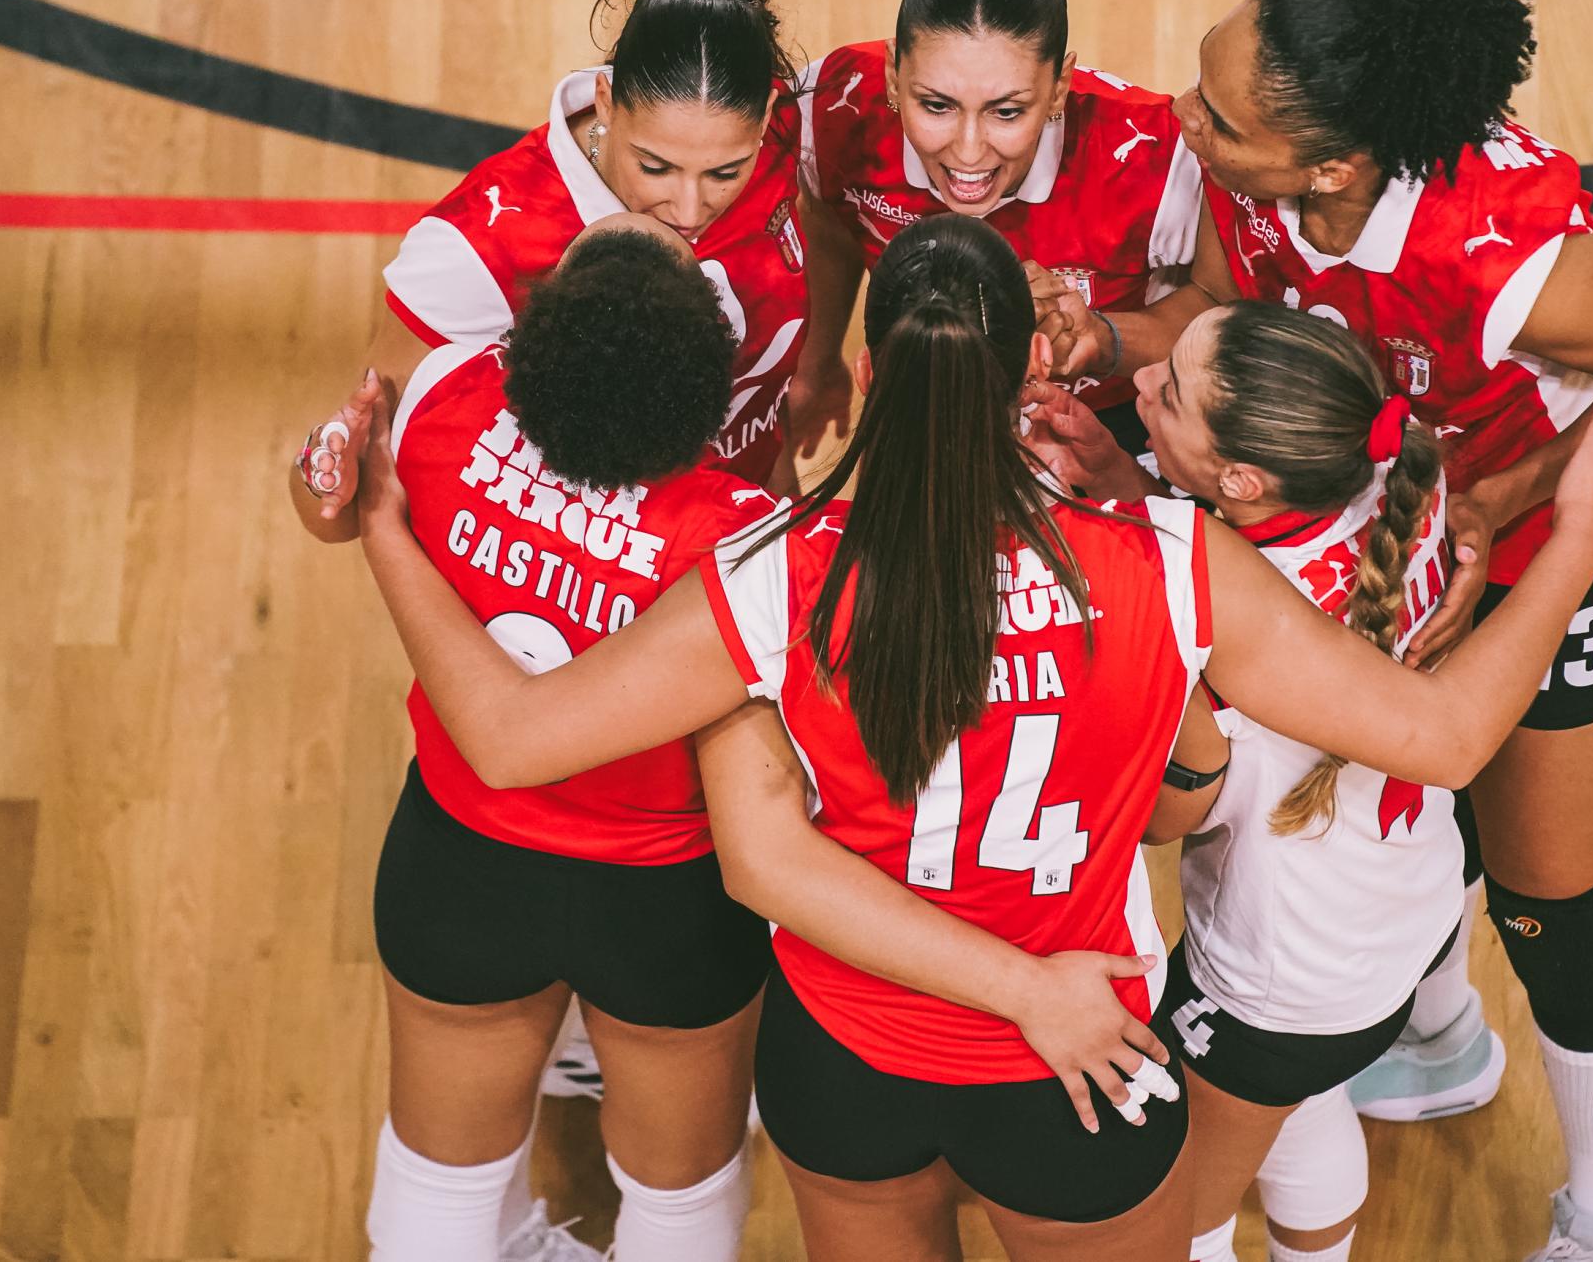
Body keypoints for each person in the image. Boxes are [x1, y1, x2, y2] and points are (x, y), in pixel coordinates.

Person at [349, 214, 1593, 1262]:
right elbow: (1442, 735)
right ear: (1037, 366)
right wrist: (1572, 532)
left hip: (844, 1060)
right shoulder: (1174, 563)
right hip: (1077, 1064)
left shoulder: (768, 572)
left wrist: (383, 525)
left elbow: (553, 755)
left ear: (866, 373)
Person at [1041, 0, 1593, 1262]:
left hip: (1550, 535)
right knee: (1386, 810)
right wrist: (1100, 341)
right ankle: (1429, 1038)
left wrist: (1510, 498)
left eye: (1219, 117)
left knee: (1547, 882)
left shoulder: (1501, 254)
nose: (1185, 122)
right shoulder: (1260, 180)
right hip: (1395, 514)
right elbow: (1214, 319)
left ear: (1335, 163)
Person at [322, 210, 1165, 1262]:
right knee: (677, 1196)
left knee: (437, 1179)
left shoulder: (451, 405)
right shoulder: (744, 538)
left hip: (471, 859)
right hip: (668, 901)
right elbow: (1183, 792)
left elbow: (357, 503)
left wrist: (373, 522)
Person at [1022, 302, 1465, 1262]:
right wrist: (1125, 476)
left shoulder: (1220, 617)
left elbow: (1165, 813)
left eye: (1168, 395)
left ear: (1239, 477)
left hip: (1277, 974)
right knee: (1299, 1111)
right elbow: (1248, 562)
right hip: (1398, 914)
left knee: (1182, 1218)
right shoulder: (1394, 479)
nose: (1139, 386)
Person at [295, 0, 812, 536]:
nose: (690, 208)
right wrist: (327, 468)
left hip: (748, 538)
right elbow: (339, 513)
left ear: (770, 113)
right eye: (655, 166)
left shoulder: (780, 138)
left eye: (725, 173)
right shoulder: (476, 250)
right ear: (606, 101)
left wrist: (816, 370)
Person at [782, 0, 1201, 457]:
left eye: (1007, 111)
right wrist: (819, 362)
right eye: (936, 105)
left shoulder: (1158, 156)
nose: (968, 152)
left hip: (1109, 427)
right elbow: (829, 216)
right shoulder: (835, 105)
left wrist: (1102, 336)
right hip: (926, 404)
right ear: (892, 76)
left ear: (1059, 88)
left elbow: (1216, 306)